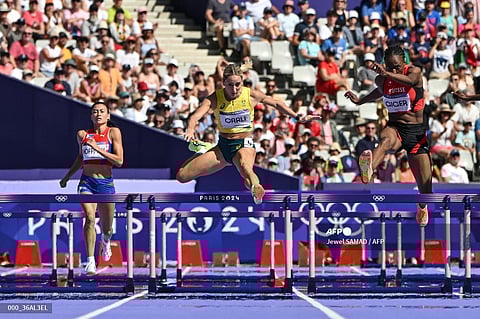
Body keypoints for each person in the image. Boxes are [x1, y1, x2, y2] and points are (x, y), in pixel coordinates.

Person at [177, 61, 319, 204]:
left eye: (238, 84)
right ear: (223, 83)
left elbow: (276, 103)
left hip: (244, 144)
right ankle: (205, 150)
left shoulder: (250, 95)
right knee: (182, 177)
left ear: (242, 82)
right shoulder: (215, 98)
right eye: (230, 85)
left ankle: (256, 188)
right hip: (222, 148)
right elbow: (195, 116)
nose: (234, 89)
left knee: (246, 168)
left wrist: (297, 116)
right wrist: (190, 128)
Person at [344, 45, 431, 227]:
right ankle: (368, 171)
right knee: (384, 141)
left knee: (426, 186)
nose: (393, 69)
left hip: (415, 131)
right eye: (390, 66)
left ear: (404, 62)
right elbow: (380, 92)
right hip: (395, 126)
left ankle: (422, 206)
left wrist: (386, 73)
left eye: (397, 66)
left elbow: (407, 81)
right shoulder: (382, 80)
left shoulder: (414, 72)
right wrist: (360, 100)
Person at [59, 102, 124, 275]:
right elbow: (80, 158)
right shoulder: (82, 135)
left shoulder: (113, 133)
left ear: (108, 116)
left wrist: (97, 148)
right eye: (95, 112)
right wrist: (67, 177)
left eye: (102, 111)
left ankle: (106, 240)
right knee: (89, 217)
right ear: (91, 116)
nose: (98, 114)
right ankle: (90, 261)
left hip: (106, 184)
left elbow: (119, 161)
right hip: (86, 182)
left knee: (107, 228)